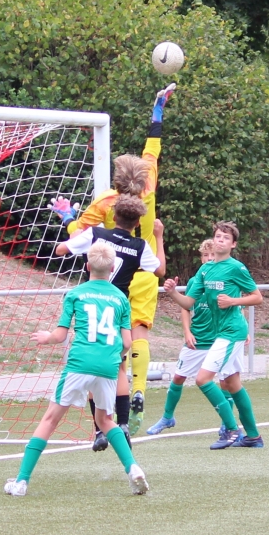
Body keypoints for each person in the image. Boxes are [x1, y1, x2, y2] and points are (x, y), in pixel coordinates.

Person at [55, 85, 175, 428]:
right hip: (144, 269)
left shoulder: (106, 201)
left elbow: (80, 235)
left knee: (113, 349)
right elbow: (152, 151)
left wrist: (67, 218)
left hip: (112, 277)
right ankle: (139, 391)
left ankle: (105, 422)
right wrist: (157, 113)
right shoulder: (148, 189)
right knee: (140, 334)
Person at [5, 242, 150, 498]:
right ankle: (133, 468)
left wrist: (46, 337)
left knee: (50, 420)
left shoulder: (75, 294)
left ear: (87, 266)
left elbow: (60, 336)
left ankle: (21, 482)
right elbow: (127, 342)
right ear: (113, 268)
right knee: (105, 420)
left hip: (80, 363)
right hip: (108, 366)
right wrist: (112, 356)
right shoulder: (120, 298)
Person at [59, 194, 159, 447]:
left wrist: (72, 228)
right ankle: (122, 424)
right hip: (117, 306)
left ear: (114, 216)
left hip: (90, 304)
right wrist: (158, 236)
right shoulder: (139, 245)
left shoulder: (96, 234)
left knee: (93, 367)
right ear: (138, 223)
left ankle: (99, 431)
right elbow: (159, 270)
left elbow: (61, 250)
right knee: (119, 368)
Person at [159, 221, 264, 449]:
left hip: (232, 332)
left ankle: (232, 430)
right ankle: (253, 437)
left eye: (226, 238)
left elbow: (257, 297)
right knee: (232, 383)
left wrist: (233, 301)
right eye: (218, 236)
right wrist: (172, 292)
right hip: (221, 333)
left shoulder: (236, 267)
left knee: (203, 379)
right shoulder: (205, 270)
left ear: (233, 244)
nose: (221, 240)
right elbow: (188, 303)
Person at [144, 236, 220, 435]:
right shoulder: (196, 281)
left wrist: (242, 331)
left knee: (226, 381)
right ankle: (167, 417)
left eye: (213, 254)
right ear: (201, 258)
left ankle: (226, 424)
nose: (209, 258)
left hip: (219, 340)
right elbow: (186, 307)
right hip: (197, 340)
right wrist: (187, 332)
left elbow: (237, 307)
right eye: (205, 255)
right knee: (178, 377)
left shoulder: (224, 279)